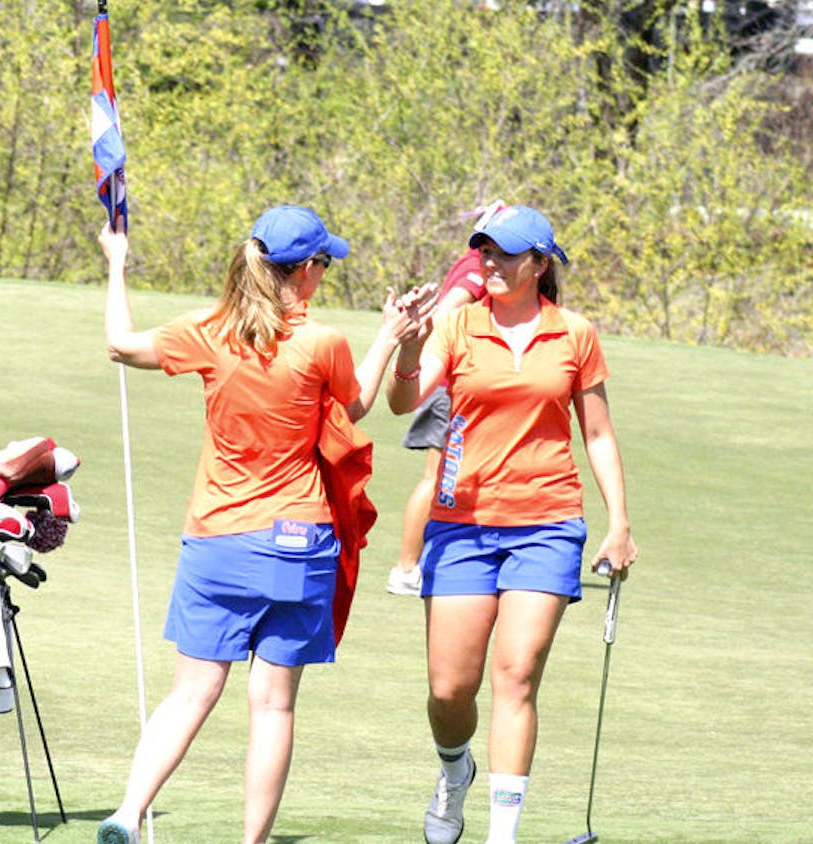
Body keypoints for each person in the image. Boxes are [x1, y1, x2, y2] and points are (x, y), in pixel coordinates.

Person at [95, 205, 431, 844]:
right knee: (272, 703)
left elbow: (120, 345)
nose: (324, 274)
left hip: (217, 540)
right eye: (324, 265)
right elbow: (357, 403)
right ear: (304, 272)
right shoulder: (320, 342)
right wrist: (391, 332)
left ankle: (128, 811)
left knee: (191, 692)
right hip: (297, 544)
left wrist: (116, 263)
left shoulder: (209, 330)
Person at [386, 205, 638, 844]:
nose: (489, 264)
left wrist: (619, 523)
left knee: (516, 674)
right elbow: (402, 402)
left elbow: (599, 435)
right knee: (450, 690)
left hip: (547, 523)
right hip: (462, 526)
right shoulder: (459, 325)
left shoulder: (574, 334)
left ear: (539, 264)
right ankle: (453, 770)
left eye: (503, 254)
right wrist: (411, 347)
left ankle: (503, 835)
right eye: (484, 253)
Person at [385, 245, 487, 596]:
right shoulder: (477, 269)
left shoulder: (472, 261)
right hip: (448, 387)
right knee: (435, 478)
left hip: (451, 384)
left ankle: (417, 565)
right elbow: (445, 313)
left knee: (446, 476)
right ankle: (406, 569)